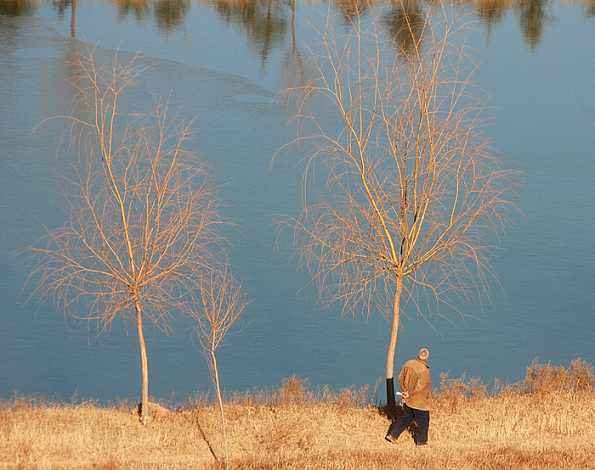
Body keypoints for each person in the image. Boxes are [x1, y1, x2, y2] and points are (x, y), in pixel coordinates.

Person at [385, 347, 432, 446]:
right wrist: (410, 393)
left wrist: (404, 391)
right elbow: (420, 387)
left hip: (407, 399)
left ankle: (392, 435)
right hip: (419, 402)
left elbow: (400, 378)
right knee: (424, 421)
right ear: (427, 357)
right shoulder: (424, 370)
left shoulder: (408, 363)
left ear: (418, 354)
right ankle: (421, 442)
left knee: (406, 417)